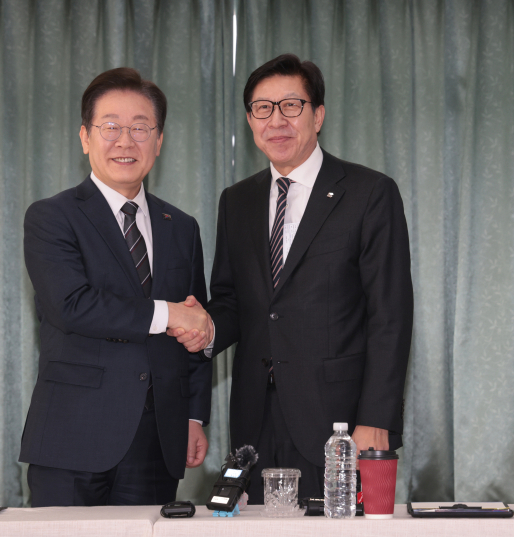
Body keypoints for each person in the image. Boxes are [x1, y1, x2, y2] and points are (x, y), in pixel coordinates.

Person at [173, 54, 413, 502]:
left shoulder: (369, 193)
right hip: (255, 419)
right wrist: (204, 328)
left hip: (340, 425)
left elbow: (390, 314)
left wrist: (375, 419)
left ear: (318, 115)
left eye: (291, 105)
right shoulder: (236, 201)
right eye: (262, 108)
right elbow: (232, 300)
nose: (276, 120)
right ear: (250, 120)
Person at [19, 67, 213, 507]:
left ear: (159, 141)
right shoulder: (52, 217)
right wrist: (168, 313)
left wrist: (194, 416)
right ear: (85, 137)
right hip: (72, 436)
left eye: (140, 128)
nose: (125, 141)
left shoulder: (182, 226)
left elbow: (196, 323)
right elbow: (72, 305)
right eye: (110, 127)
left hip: (157, 441)